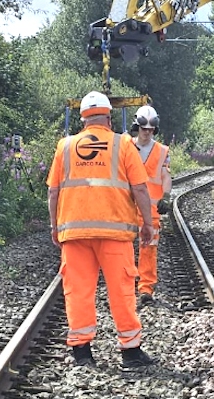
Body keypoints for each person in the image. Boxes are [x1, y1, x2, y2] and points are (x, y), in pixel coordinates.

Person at [47, 91, 156, 368]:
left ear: (83, 118)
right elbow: (140, 188)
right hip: (115, 232)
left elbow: (53, 191)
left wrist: (54, 226)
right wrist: (146, 223)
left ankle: (82, 352)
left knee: (79, 291)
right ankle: (130, 351)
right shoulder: (123, 144)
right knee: (121, 290)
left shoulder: (66, 146)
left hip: (74, 233)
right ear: (108, 116)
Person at [130, 105, 172, 306]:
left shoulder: (162, 151)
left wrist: (167, 196)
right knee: (124, 249)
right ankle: (127, 286)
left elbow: (165, 175)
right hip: (126, 208)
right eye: (143, 128)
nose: (146, 133)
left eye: (150, 129)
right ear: (136, 127)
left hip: (151, 211)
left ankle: (145, 288)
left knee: (148, 248)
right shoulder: (125, 146)